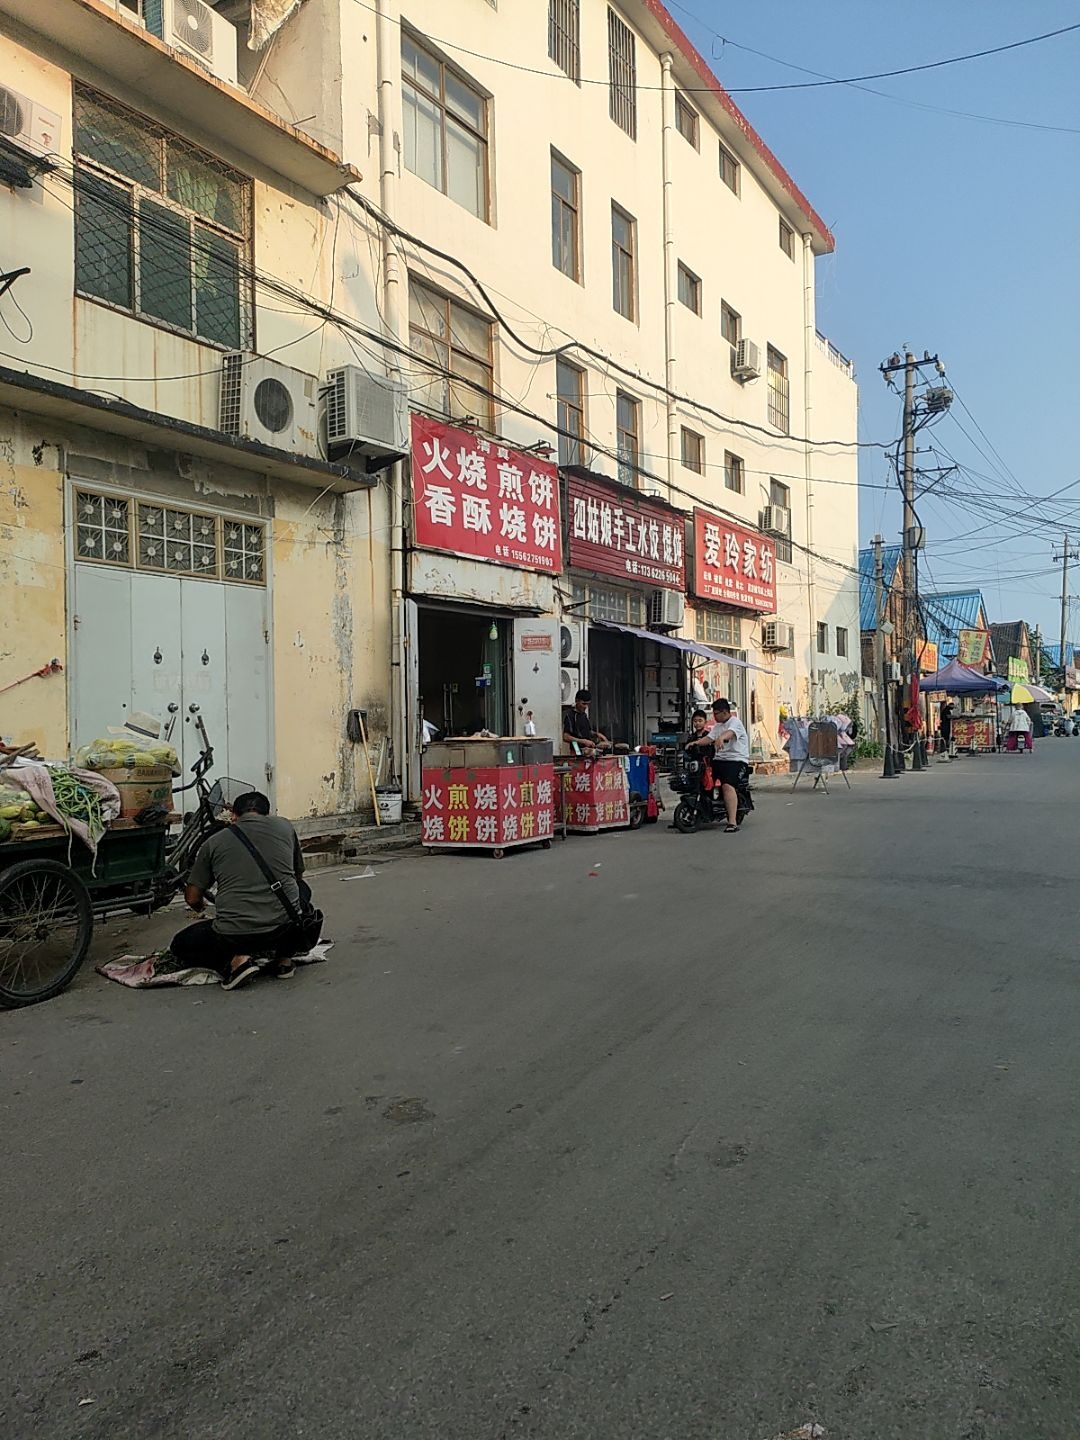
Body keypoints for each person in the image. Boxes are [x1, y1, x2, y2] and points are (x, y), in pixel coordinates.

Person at [170, 791, 311, 989]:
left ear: (234, 816)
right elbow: (297, 877)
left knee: (180, 944)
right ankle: (284, 960)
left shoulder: (213, 843)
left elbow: (192, 898)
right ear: (267, 814)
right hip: (284, 929)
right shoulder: (285, 826)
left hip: (234, 934)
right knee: (303, 891)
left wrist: (201, 906)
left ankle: (237, 961)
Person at [702, 697, 750, 832]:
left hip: (736, 761)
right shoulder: (717, 726)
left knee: (727, 785)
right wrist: (694, 743)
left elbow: (730, 733)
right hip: (719, 760)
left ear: (724, 712)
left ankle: (732, 822)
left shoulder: (735, 722)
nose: (714, 716)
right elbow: (708, 738)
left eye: (716, 713)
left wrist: (722, 738)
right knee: (702, 778)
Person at [562, 689, 609, 753]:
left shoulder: (584, 715)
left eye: (587, 704)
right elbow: (566, 737)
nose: (585, 707)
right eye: (583, 704)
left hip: (588, 750)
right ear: (576, 701)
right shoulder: (570, 716)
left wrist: (597, 734)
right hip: (576, 750)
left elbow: (587, 731)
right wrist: (583, 741)